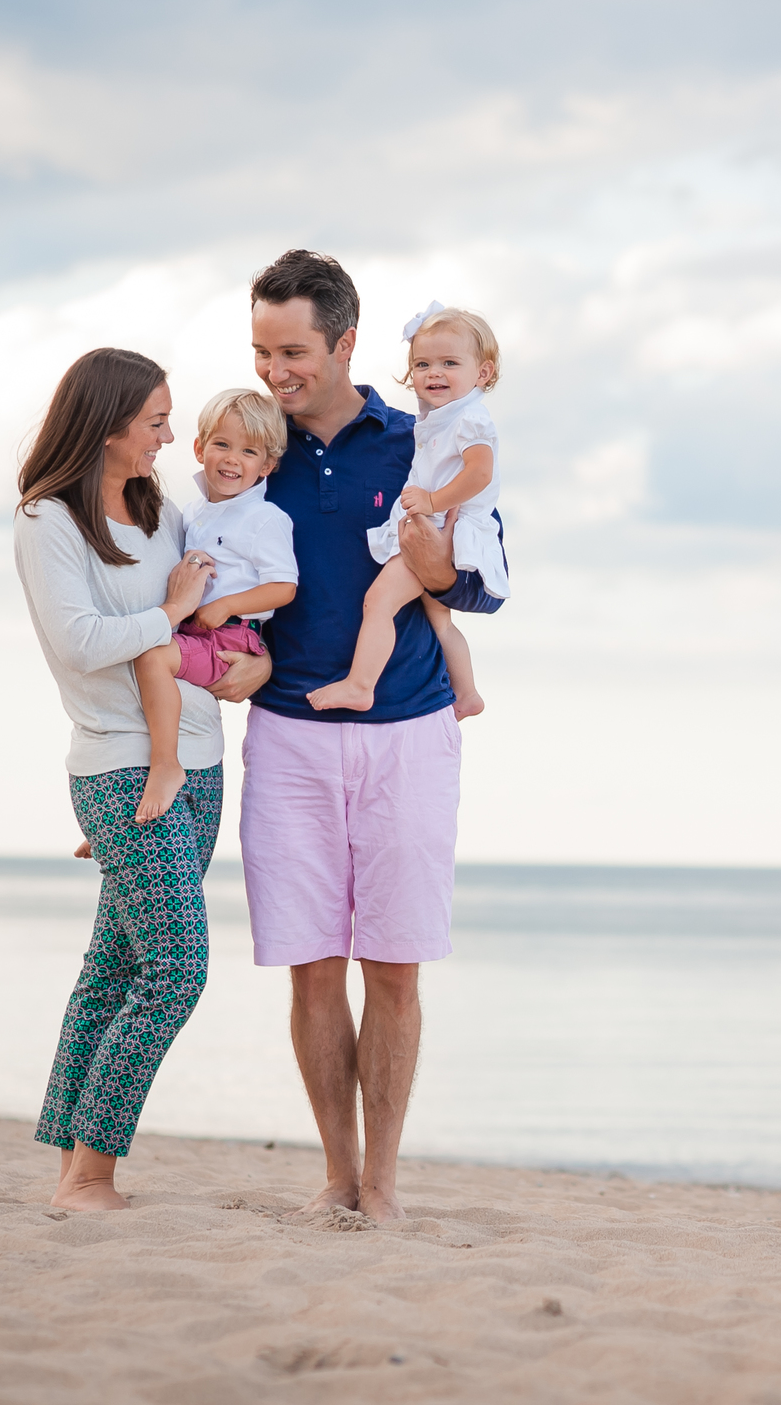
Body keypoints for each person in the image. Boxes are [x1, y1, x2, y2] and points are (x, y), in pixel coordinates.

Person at [239, 249, 507, 1220]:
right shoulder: (246, 450)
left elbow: (482, 578)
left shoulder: (423, 435)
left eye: (294, 350)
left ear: (345, 342)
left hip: (408, 729)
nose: (277, 371)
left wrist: (434, 555)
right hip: (287, 732)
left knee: (393, 964)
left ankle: (384, 1188)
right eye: (263, 350)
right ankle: (336, 1178)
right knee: (311, 964)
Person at [10, 347, 265, 1211]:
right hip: (124, 764)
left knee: (113, 968)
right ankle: (90, 1176)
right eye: (156, 419)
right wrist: (170, 610)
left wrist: (252, 670)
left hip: (201, 766)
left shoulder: (160, 510)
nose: (170, 435)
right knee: (175, 970)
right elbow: (81, 642)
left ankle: (71, 1173)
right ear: (108, 421)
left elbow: (207, 630)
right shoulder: (49, 521)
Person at [306, 302, 504, 719]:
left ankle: (361, 685)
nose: (434, 373)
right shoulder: (440, 420)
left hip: (435, 527)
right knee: (441, 623)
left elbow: (480, 474)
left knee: (378, 602)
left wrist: (432, 502)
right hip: (433, 523)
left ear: (482, 373)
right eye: (422, 363)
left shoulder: (470, 420)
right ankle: (467, 694)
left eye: (450, 363)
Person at [129, 387, 300, 821]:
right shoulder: (192, 513)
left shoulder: (265, 520)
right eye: (222, 444)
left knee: (151, 660)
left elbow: (284, 587)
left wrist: (225, 607)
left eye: (248, 451)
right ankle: (116, 816)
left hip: (229, 636)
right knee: (135, 687)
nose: (232, 459)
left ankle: (166, 768)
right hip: (195, 630)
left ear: (268, 465)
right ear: (199, 447)